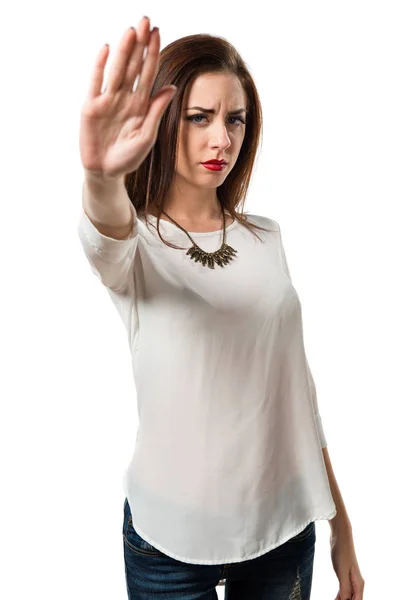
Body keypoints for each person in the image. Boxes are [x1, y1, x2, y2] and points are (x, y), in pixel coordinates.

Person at [77, 15, 365, 600]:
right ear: (162, 123)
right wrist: (99, 176)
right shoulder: (136, 246)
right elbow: (104, 226)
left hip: (283, 530)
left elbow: (297, 392)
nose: (222, 140)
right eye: (199, 118)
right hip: (168, 541)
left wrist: (341, 523)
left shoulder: (267, 238)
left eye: (234, 119)